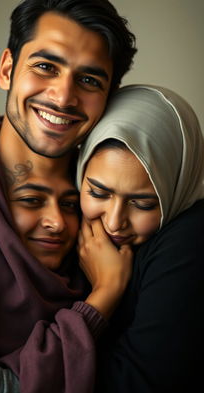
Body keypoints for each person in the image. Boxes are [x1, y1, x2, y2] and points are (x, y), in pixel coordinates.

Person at [0, 0, 137, 392]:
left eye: (88, 80)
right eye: (46, 67)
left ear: (108, 97)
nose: (63, 97)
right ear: (7, 69)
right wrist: (100, 301)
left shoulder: (116, 205)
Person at [76, 84, 204, 392]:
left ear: (177, 186)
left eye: (142, 203)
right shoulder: (67, 227)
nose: (114, 221)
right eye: (98, 192)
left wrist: (108, 288)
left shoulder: (191, 242)